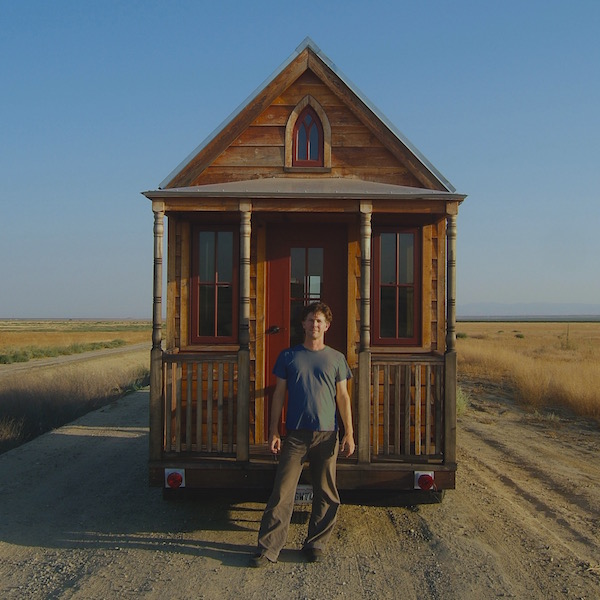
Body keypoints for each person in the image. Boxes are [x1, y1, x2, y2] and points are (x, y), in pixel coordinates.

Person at [250, 302, 355, 567]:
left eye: (319, 321)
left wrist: (349, 433)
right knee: (282, 492)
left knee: (326, 492)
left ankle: (316, 544)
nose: (315, 325)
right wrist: (274, 430)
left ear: (327, 326)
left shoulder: (336, 358)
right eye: (310, 320)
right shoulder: (289, 356)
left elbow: (343, 397)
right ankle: (269, 549)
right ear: (303, 325)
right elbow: (278, 396)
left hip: (327, 434)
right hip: (295, 435)